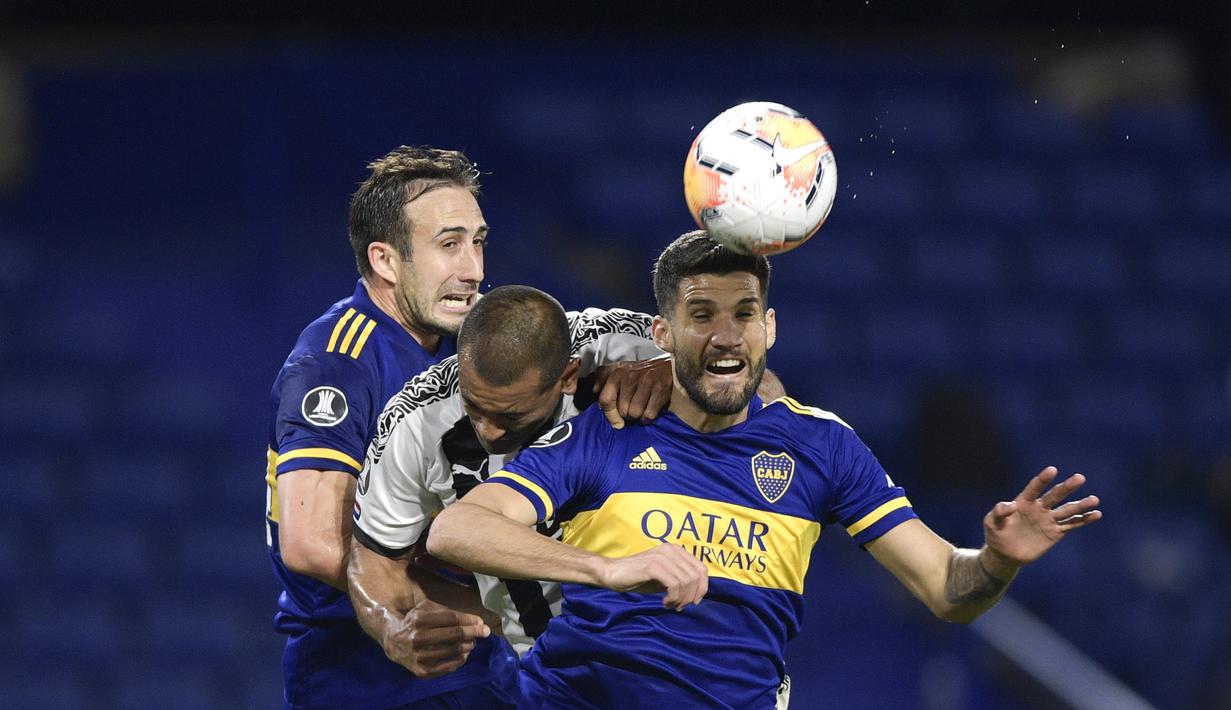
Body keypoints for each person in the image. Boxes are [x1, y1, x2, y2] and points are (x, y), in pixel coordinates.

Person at [426, 230, 1103, 709]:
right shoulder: (609, 433)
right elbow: (459, 529)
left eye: (743, 314)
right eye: (701, 315)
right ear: (662, 334)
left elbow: (946, 591)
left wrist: (996, 561)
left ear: (769, 328)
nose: (725, 335)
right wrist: (603, 568)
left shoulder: (822, 447)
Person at [266, 146, 673, 708]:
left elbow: (610, 342)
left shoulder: (476, 338)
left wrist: (660, 365)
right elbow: (312, 545)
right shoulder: (338, 361)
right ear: (386, 261)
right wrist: (501, 607)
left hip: (480, 664)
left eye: (478, 241)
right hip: (369, 671)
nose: (474, 268)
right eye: (449, 244)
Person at [347, 284, 786, 659]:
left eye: (510, 416)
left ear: (568, 377)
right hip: (553, 673)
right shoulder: (414, 424)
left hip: (699, 654)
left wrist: (676, 376)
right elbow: (372, 565)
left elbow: (769, 394)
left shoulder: (624, 345)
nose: (489, 432)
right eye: (475, 408)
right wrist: (390, 629)